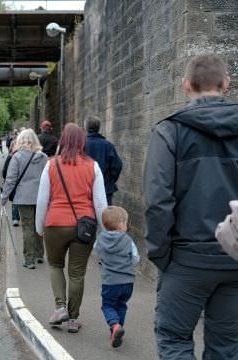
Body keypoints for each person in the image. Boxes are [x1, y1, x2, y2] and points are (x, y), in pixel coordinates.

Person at [143, 54, 238, 360]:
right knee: (227, 347)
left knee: (174, 339)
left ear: (186, 86)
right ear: (226, 83)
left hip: (186, 259)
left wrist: (161, 254)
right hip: (235, 258)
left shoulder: (169, 132)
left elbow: (158, 202)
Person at [36, 123, 107, 333]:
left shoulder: (51, 165)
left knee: (55, 265)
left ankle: (60, 308)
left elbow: (42, 200)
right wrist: (103, 231)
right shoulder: (92, 166)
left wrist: (40, 227)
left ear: (62, 141)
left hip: (55, 224)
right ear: (81, 141)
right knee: (77, 274)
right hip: (83, 227)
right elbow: (100, 202)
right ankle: (73, 319)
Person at [94, 206, 140, 348]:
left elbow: (97, 252)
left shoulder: (100, 239)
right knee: (121, 304)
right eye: (126, 223)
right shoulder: (128, 240)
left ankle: (114, 325)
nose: (126, 225)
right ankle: (117, 328)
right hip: (127, 281)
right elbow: (135, 258)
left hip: (110, 281)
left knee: (108, 305)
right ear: (120, 225)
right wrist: (127, 266)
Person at [1, 129, 47, 269]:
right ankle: (39, 254)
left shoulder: (17, 157)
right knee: (39, 225)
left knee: (28, 227)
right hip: (41, 196)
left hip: (24, 197)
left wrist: (4, 197)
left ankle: (29, 259)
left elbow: (10, 180)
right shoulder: (43, 157)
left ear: (20, 140)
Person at [85, 116, 122, 205]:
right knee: (104, 217)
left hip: (85, 189)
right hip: (105, 189)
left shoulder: (80, 145)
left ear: (86, 128)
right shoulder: (108, 145)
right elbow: (117, 166)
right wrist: (110, 180)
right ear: (99, 128)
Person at [2, 141, 20, 226]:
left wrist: (6, 180)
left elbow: (4, 171)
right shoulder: (22, 156)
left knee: (15, 200)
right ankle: (17, 217)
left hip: (13, 181)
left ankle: (15, 218)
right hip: (20, 182)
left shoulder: (10, 157)